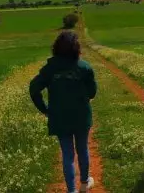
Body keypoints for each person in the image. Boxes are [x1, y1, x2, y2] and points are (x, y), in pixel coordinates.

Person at [29, 31, 97, 193]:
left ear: (56, 48)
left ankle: (71, 190)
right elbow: (92, 92)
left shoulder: (50, 68)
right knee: (82, 149)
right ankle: (84, 184)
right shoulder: (84, 67)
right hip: (81, 116)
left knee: (67, 154)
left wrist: (44, 109)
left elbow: (34, 89)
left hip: (59, 117)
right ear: (76, 48)